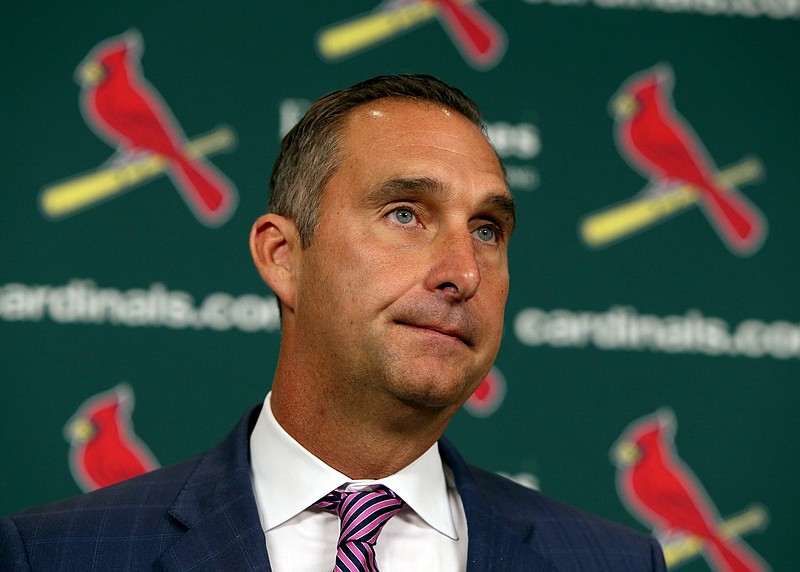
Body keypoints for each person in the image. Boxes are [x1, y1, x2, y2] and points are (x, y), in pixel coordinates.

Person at [1, 74, 666, 571]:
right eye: (406, 214)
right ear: (283, 257)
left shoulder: (612, 562)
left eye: (488, 229)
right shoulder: (61, 554)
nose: (464, 272)